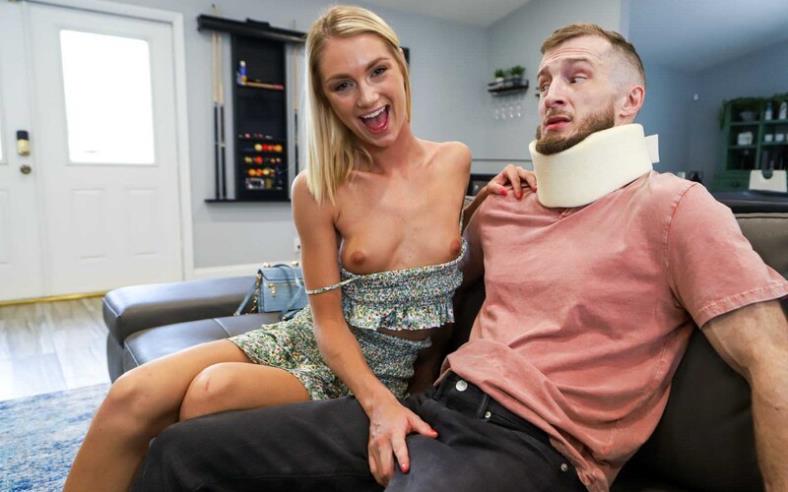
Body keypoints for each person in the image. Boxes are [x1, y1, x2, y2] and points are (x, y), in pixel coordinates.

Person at [131, 23, 788, 492]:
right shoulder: (509, 207)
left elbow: (772, 360)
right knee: (181, 454)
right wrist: (476, 208)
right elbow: (429, 282)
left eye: (576, 76)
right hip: (436, 408)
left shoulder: (675, 207)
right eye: (543, 82)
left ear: (630, 101)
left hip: (537, 447)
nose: (552, 93)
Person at [64, 6, 534, 491]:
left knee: (211, 392)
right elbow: (326, 322)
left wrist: (496, 196)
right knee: (131, 394)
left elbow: (450, 260)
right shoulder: (317, 188)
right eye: (342, 84)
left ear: (400, 66)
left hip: (386, 368)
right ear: (325, 98)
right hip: (319, 341)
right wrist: (378, 406)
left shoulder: (455, 162)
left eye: (377, 71)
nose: (367, 97)